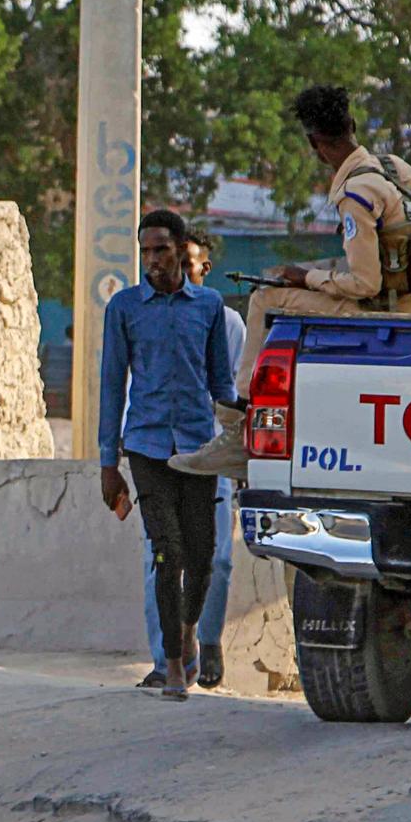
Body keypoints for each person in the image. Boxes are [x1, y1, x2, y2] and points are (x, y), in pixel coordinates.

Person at [169, 84, 411, 479]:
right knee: (284, 281)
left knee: (266, 297)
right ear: (351, 125)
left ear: (315, 144)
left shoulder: (356, 193)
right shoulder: (395, 169)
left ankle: (239, 419)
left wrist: (307, 277)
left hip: (383, 308)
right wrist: (310, 279)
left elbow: (365, 284)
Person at [99, 209, 237, 700]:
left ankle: (188, 629)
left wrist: (238, 447)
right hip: (147, 446)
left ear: (181, 250)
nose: (152, 260)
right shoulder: (125, 308)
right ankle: (174, 664)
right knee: (167, 552)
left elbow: (222, 383)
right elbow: (112, 386)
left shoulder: (210, 307)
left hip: (199, 447)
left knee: (203, 557)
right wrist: (107, 463)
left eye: (161, 249)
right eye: (145, 251)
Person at [138, 230, 245, 689]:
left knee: (216, 558)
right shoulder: (142, 314)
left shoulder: (227, 323)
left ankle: (208, 637)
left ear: (205, 269)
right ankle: (167, 660)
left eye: (192, 263)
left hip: (209, 451)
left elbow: (230, 393)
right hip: (159, 449)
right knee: (160, 557)